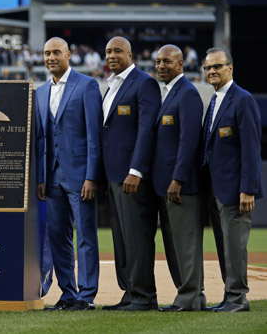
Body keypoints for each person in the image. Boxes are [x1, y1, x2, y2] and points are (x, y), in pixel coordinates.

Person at [35, 37, 101, 311]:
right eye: (47, 53)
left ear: (69, 55)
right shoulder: (39, 91)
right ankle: (68, 293)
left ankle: (86, 295)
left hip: (79, 175)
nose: (51, 57)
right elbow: (40, 139)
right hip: (51, 177)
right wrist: (40, 176)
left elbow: (94, 135)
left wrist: (92, 176)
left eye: (56, 53)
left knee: (85, 235)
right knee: (57, 237)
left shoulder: (87, 85)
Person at [100, 36, 160, 311]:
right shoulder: (110, 86)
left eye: (117, 51)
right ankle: (129, 293)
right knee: (122, 240)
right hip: (113, 176)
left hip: (132, 178)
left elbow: (147, 131)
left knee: (137, 237)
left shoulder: (144, 83)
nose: (112, 55)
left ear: (130, 55)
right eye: (108, 51)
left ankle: (145, 295)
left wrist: (136, 170)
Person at [200, 47, 262, 312]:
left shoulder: (242, 99)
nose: (212, 71)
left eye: (217, 66)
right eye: (208, 68)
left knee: (235, 245)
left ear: (230, 68)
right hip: (217, 188)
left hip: (236, 190)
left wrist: (248, 188)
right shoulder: (215, 100)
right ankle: (229, 295)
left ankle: (238, 298)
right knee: (225, 244)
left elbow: (251, 147)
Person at [151, 44, 205, 312]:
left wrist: (178, 178)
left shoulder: (188, 94)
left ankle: (191, 298)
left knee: (186, 245)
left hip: (181, 186)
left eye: (167, 62)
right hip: (166, 185)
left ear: (181, 64)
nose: (161, 66)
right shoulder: (168, 93)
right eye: (158, 61)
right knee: (174, 245)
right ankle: (189, 296)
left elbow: (189, 142)